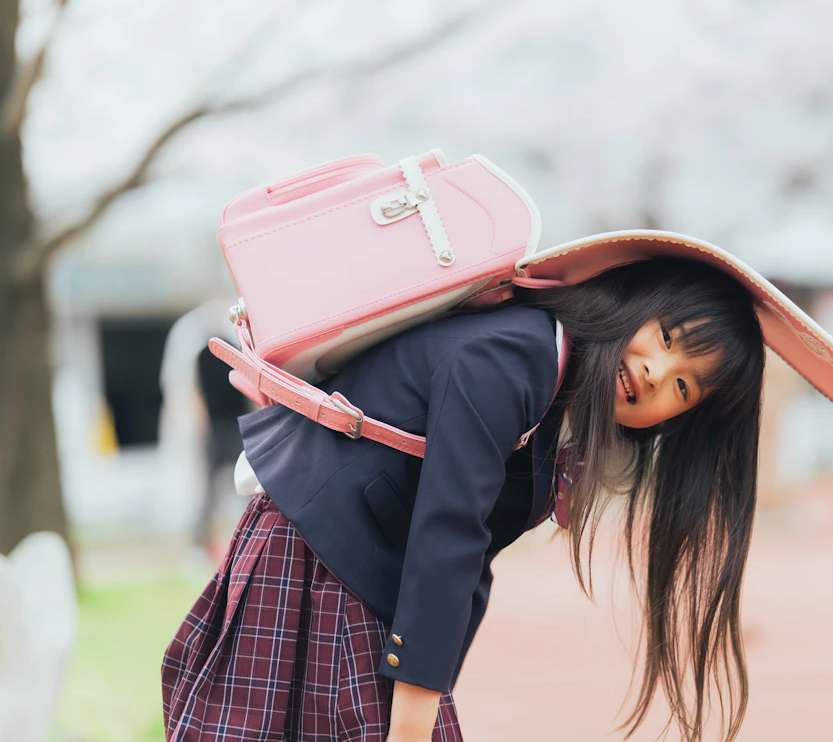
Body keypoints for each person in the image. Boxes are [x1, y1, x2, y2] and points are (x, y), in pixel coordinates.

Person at [162, 257, 765, 742]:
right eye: (663, 337)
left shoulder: (558, 403)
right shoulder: (520, 354)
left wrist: (429, 687)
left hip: (348, 569)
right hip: (314, 559)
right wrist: (417, 709)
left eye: (683, 385)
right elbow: (452, 529)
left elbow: (472, 558)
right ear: (629, 301)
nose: (656, 372)